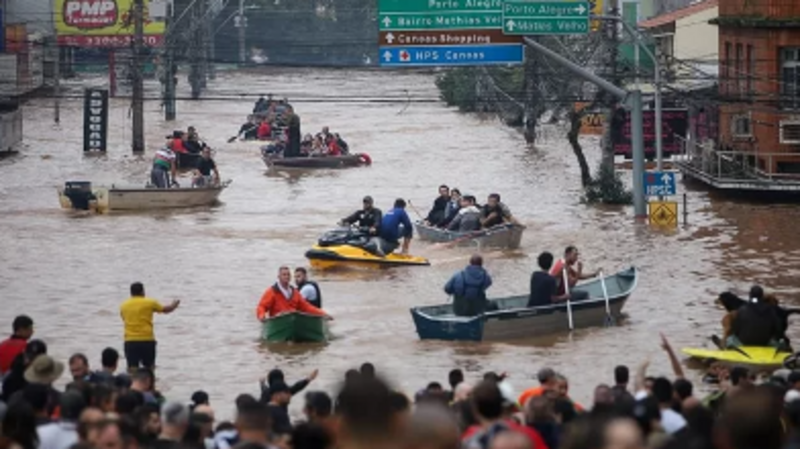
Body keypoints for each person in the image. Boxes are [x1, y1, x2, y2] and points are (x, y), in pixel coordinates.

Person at [120, 282, 181, 372]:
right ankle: (150, 385)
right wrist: (174, 306)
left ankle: (133, 385)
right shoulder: (150, 302)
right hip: (147, 340)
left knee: (132, 370)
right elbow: (165, 310)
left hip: (130, 341)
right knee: (149, 369)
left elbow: (124, 319)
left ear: (131, 293)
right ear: (142, 291)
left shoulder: (124, 305)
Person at [256, 267, 332, 321]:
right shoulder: (272, 291)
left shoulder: (295, 292)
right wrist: (261, 316)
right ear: (279, 277)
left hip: (292, 320)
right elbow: (262, 306)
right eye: (284, 275)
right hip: (278, 320)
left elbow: (306, 307)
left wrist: (324, 314)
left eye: (288, 275)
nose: (286, 276)